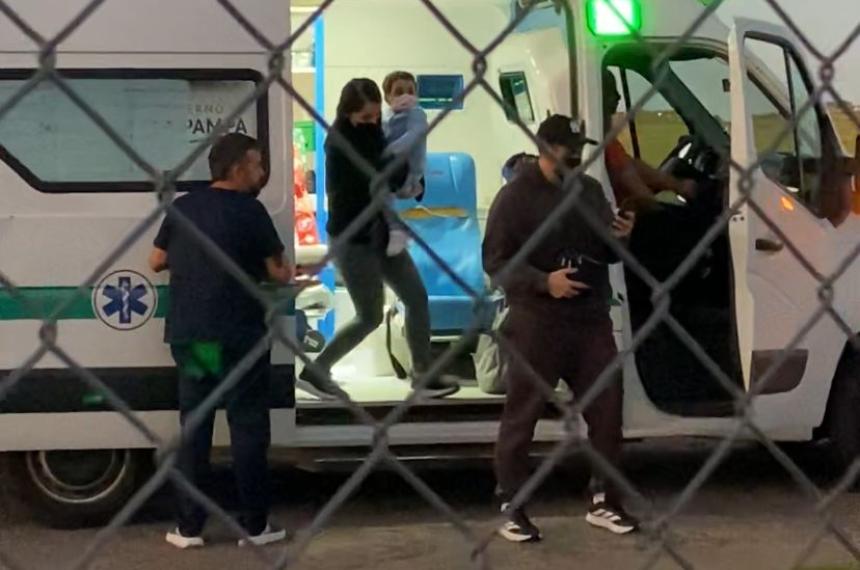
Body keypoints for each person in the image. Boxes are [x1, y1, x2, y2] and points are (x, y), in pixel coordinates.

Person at [483, 115, 639, 543]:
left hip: (589, 318)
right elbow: (495, 263)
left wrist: (620, 238)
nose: (576, 155)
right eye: (568, 148)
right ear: (546, 147)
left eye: (580, 148)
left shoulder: (588, 192)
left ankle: (605, 500)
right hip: (538, 321)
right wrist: (542, 281)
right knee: (523, 414)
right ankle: (511, 505)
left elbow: (607, 254)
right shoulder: (514, 197)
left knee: (607, 408)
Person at [149, 133, 291, 549]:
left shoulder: (183, 208)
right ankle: (255, 527)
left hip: (193, 337)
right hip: (241, 337)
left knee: (195, 428)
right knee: (247, 428)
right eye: (258, 165)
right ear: (236, 169)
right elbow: (277, 272)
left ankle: (188, 528)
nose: (262, 173)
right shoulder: (252, 211)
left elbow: (155, 260)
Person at [296, 78, 459, 400]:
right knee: (369, 315)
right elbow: (383, 173)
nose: (372, 123)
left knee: (416, 298)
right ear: (349, 113)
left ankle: (422, 372)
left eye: (374, 117)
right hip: (354, 239)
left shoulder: (373, 134)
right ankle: (315, 372)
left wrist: (410, 176)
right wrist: (404, 173)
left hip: (382, 229)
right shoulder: (341, 141)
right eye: (365, 118)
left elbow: (391, 170)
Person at [602, 68, 696, 211]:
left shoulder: (605, 139)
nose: (618, 97)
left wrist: (678, 186)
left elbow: (631, 165)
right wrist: (659, 213)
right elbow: (627, 175)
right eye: (612, 91)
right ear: (599, 96)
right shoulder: (603, 141)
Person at [382, 70, 429, 256]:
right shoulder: (386, 117)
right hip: (394, 171)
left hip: (411, 172)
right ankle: (394, 229)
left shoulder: (417, 115)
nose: (406, 96)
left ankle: (397, 229)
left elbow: (413, 137)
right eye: (399, 92)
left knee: (383, 191)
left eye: (410, 91)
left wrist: (386, 152)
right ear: (387, 97)